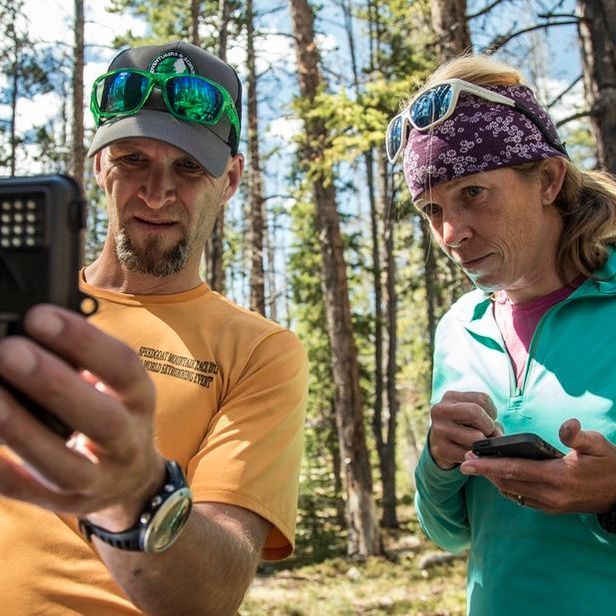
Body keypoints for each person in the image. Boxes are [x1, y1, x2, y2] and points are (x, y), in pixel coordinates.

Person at [0, 41, 308, 615]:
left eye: (189, 167)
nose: (157, 192)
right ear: (99, 166)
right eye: (133, 159)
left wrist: (133, 495)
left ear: (232, 178)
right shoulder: (19, 308)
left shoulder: (261, 352)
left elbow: (214, 593)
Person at [386, 54, 616, 615]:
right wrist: (438, 463)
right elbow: (451, 534)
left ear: (548, 179)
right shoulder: (460, 329)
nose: (451, 233)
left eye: (473, 193)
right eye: (432, 208)